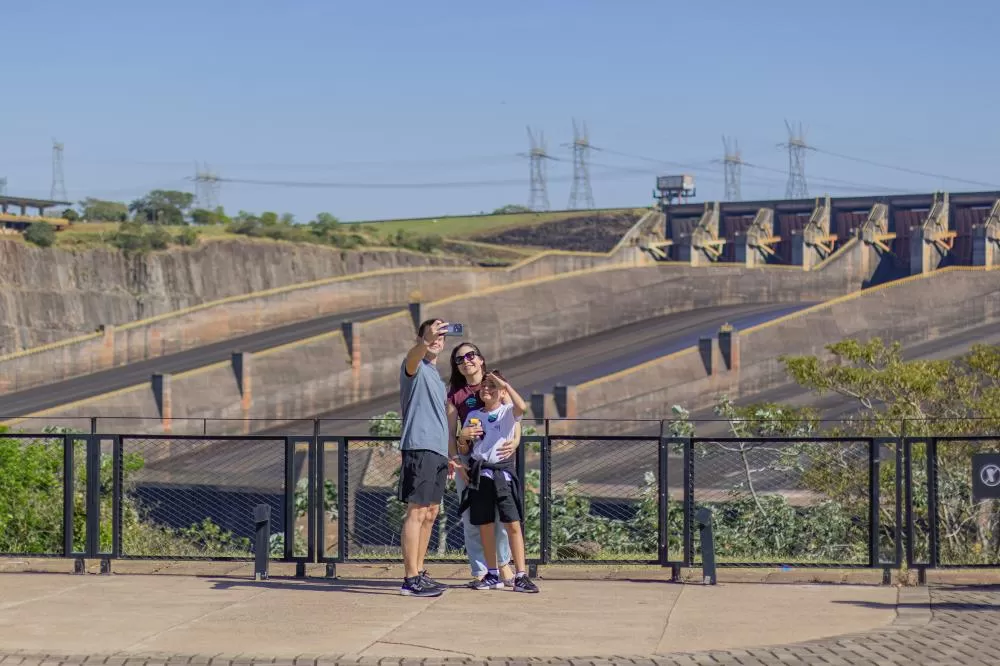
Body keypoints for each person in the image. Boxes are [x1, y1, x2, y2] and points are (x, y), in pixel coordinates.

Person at [459, 370, 539, 593]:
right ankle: (491, 573)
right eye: (484, 386)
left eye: (491, 387)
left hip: (502, 474)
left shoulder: (507, 413)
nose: (486, 390)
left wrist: (504, 385)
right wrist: (463, 436)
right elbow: (464, 448)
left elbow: (522, 407)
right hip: (481, 473)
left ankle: (521, 573)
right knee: (485, 524)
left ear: (501, 391)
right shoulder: (474, 414)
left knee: (512, 523)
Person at [397, 318, 459, 598]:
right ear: (421, 337)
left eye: (440, 336)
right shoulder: (415, 366)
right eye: (431, 334)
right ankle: (410, 579)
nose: (437, 339)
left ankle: (419, 571)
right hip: (420, 446)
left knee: (431, 514)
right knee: (417, 511)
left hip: (436, 451)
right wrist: (424, 342)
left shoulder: (435, 374)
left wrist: (449, 455)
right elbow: (412, 357)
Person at [447, 342, 517, 588]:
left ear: (481, 358)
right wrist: (456, 460)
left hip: (497, 460)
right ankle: (481, 569)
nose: (466, 361)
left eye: (470, 355)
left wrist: (516, 441)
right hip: (469, 460)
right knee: (472, 517)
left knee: (502, 516)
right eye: (459, 359)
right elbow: (451, 432)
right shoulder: (455, 394)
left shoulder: (495, 383)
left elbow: (514, 416)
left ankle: (503, 565)